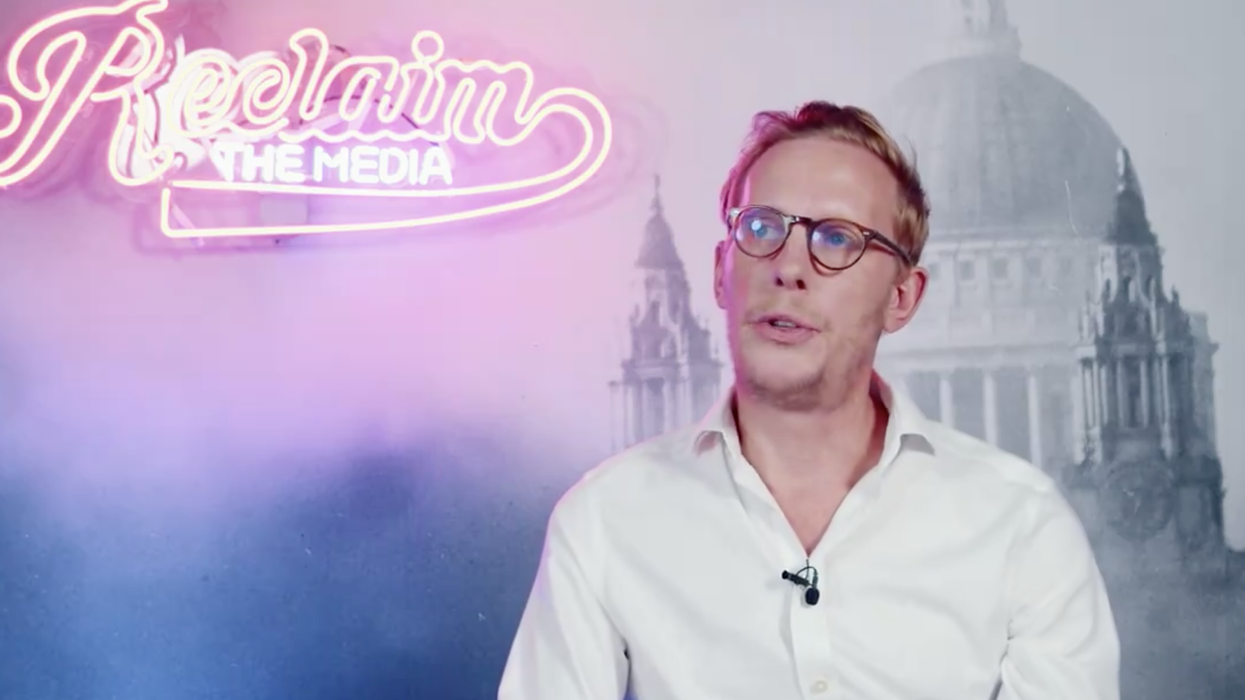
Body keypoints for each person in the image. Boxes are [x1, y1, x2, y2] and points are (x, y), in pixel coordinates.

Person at [497, 101, 1120, 700]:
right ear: (720, 272)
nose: (789, 267)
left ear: (902, 298)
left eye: (837, 239)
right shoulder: (603, 522)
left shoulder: (1023, 525)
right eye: (761, 228)